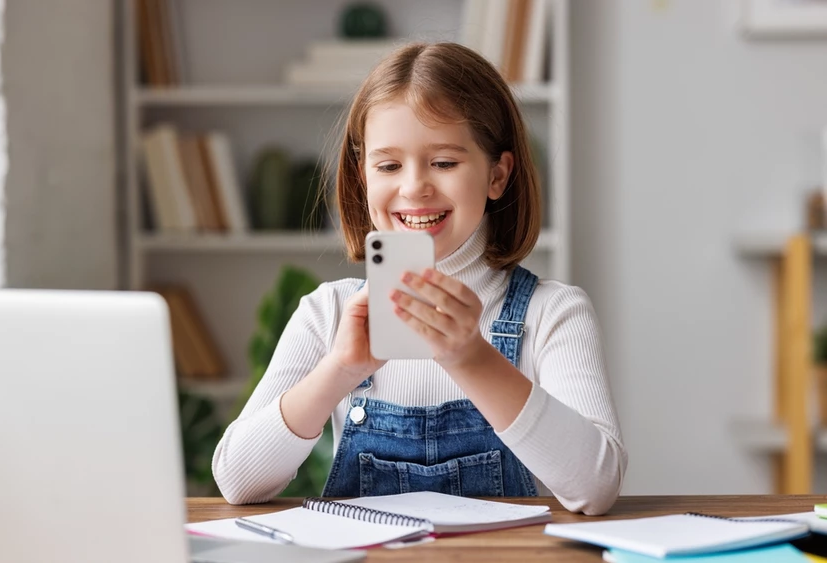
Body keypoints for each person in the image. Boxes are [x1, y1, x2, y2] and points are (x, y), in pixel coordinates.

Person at [212, 42, 626, 515]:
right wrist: (339, 372)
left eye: (445, 163)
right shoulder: (327, 313)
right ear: (363, 176)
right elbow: (236, 479)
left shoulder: (551, 313)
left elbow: (595, 488)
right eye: (388, 165)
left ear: (498, 174)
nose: (414, 187)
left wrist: (472, 359)